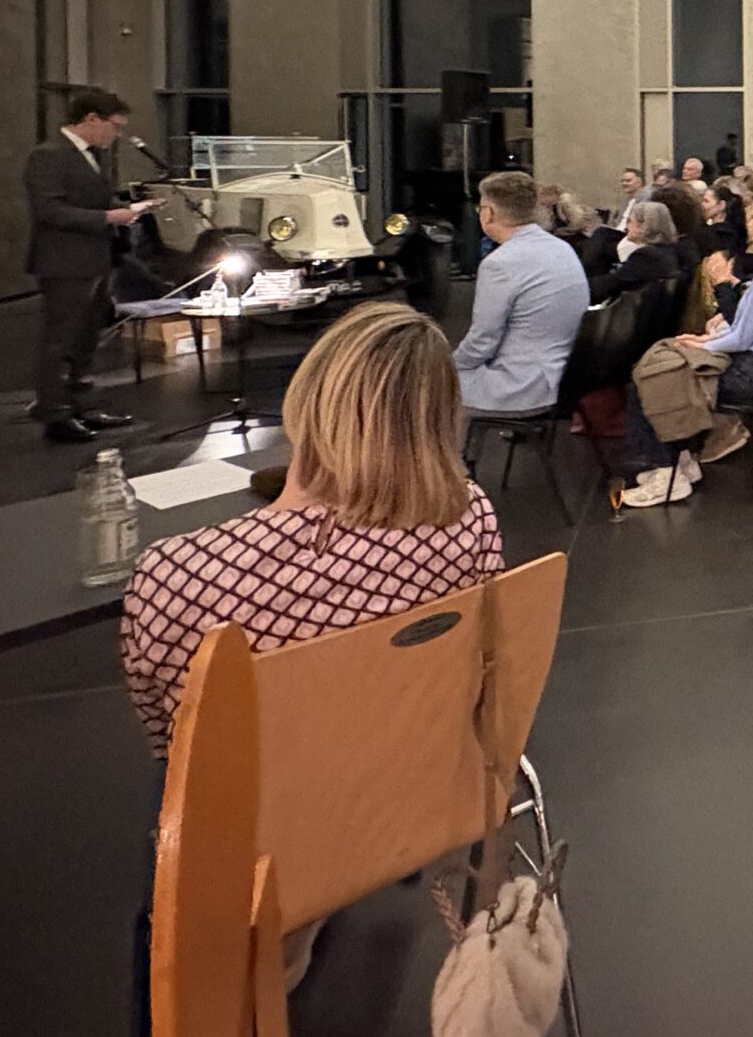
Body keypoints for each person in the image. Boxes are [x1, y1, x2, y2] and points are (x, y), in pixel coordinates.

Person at [121, 301, 502, 756]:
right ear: (442, 418)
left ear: (307, 398)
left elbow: (168, 736)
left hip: (256, 797)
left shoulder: (174, 577)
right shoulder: (471, 517)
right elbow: (485, 655)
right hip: (418, 775)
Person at [618, 189, 753, 508]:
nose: (747, 223)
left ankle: (667, 471)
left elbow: (743, 338)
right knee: (659, 367)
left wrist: (703, 341)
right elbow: (749, 327)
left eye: (752, 218)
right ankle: (680, 463)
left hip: (746, 371)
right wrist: (708, 338)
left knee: (651, 378)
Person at [23, 87, 144, 444]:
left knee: (87, 338)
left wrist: (128, 207)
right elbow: (49, 210)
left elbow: (91, 199)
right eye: (114, 126)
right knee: (60, 339)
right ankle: (55, 412)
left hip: (95, 258)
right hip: (64, 261)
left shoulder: (92, 157)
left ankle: (83, 405)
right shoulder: (48, 156)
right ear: (91, 119)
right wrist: (108, 217)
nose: (116, 134)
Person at [452, 170, 590, 416]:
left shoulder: (499, 263)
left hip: (520, 386)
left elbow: (482, 342)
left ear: (489, 213)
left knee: (419, 384)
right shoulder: (562, 248)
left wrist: (448, 365)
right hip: (562, 376)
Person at [609, 199, 685, 293]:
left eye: (630, 221)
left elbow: (612, 283)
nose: (626, 226)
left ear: (643, 226)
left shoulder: (646, 256)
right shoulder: (668, 251)